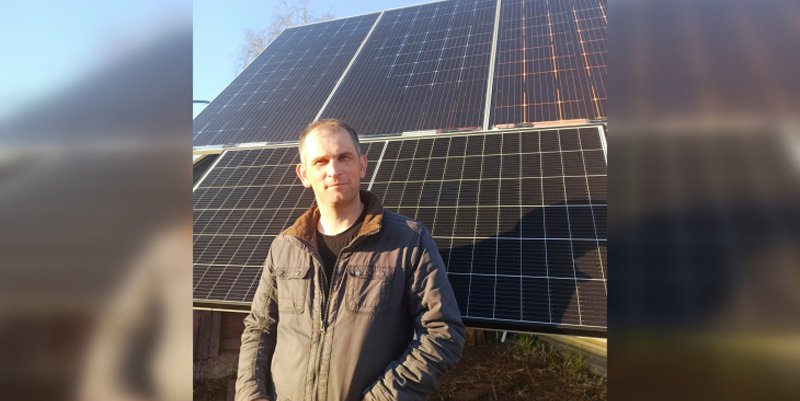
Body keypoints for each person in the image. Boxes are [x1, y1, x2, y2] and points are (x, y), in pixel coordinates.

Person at [235, 119, 465, 401]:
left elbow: (442, 332)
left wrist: (381, 398)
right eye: (320, 162)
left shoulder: (409, 241)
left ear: (362, 165)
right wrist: (250, 395)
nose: (334, 171)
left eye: (344, 157)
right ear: (304, 174)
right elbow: (259, 328)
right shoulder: (285, 246)